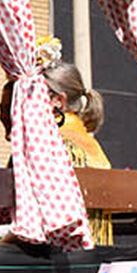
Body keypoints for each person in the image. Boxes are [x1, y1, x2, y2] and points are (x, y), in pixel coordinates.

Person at [39, 40, 113, 245]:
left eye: (34, 94)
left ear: (57, 101)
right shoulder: (89, 143)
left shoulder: (57, 146)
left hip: (66, 250)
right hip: (96, 248)